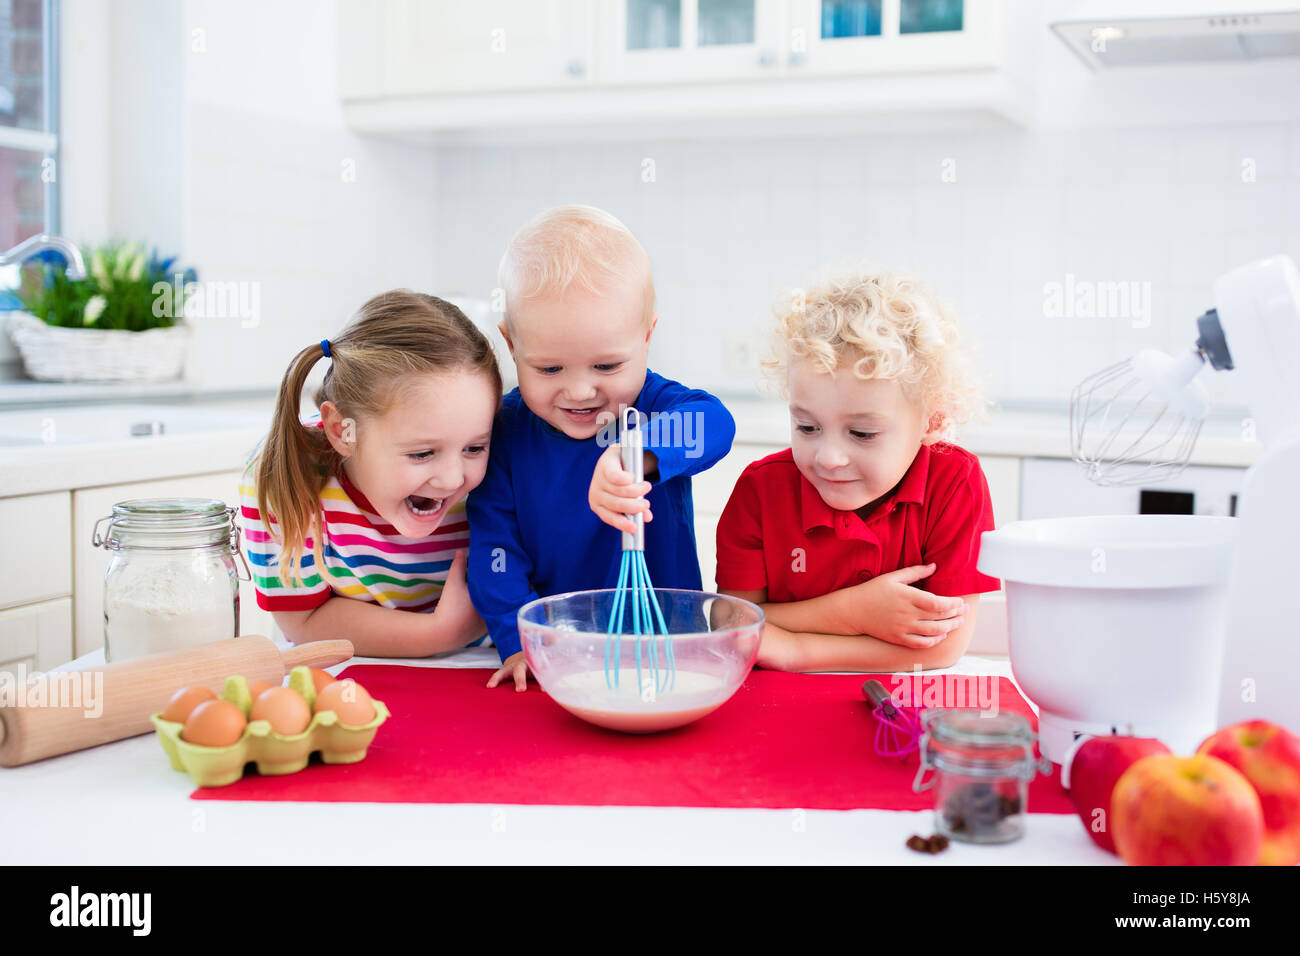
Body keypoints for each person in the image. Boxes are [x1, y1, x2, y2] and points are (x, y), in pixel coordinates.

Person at [468, 205, 736, 691]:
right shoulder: (505, 431)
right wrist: (516, 640)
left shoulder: (658, 408)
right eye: (549, 369)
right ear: (511, 345)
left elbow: (716, 424)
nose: (580, 392)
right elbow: (494, 553)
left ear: (648, 336)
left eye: (608, 366)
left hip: (667, 645)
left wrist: (638, 452)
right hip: (558, 651)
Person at [715, 267, 1001, 672]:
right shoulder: (760, 491)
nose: (828, 457)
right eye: (807, 427)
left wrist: (797, 649)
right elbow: (729, 624)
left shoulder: (955, 482)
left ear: (932, 420)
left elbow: (944, 647)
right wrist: (853, 612)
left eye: (862, 433)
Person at [239, 290, 501, 656]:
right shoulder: (286, 474)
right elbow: (303, 621)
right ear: (340, 431)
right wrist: (440, 633)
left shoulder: (504, 466)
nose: (452, 479)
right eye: (422, 453)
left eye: (474, 448)